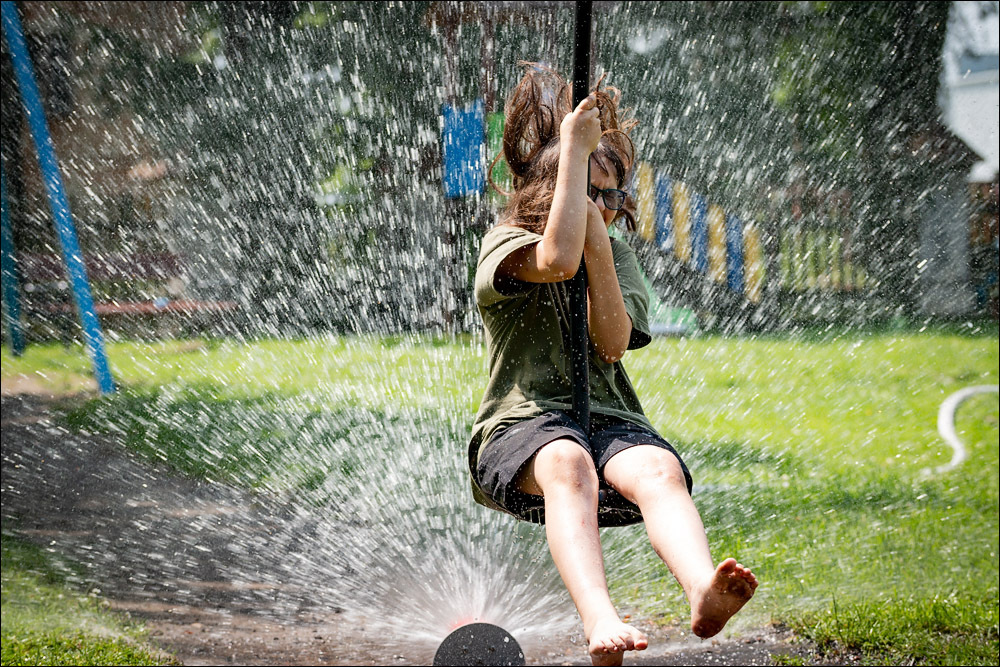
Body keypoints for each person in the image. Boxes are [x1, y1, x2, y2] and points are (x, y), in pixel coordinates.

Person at [468, 63, 757, 666]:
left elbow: (612, 342)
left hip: (608, 419)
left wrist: (599, 240)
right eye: (589, 188)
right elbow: (556, 259)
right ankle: (599, 616)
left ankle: (702, 586)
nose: (604, 205)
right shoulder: (505, 243)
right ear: (550, 186)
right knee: (567, 461)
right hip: (523, 427)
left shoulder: (619, 254)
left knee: (657, 467)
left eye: (612, 194)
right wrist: (574, 152)